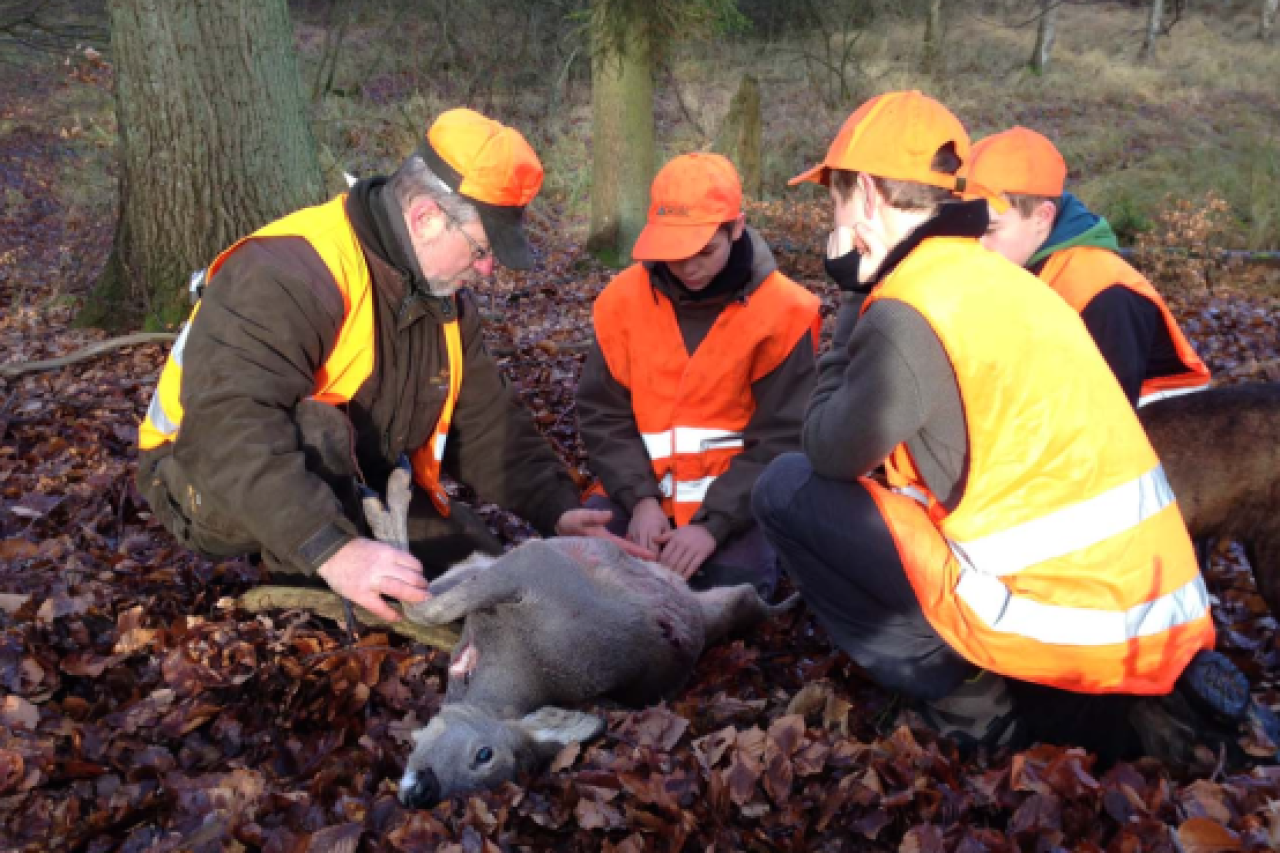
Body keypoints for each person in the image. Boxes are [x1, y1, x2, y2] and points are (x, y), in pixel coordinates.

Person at [750, 90, 1249, 766]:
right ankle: (1133, 708)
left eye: (833, 199)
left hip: (1067, 625)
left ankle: (979, 712)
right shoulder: (1007, 280)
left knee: (787, 488)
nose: (831, 217)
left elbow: (827, 448)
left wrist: (849, 296)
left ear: (866, 197)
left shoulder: (909, 307)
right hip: (1158, 616)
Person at [138, 108, 648, 624]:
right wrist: (332, 550)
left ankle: (346, 549)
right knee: (319, 431)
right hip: (201, 477)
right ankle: (308, 586)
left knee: (485, 567)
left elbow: (487, 423)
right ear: (426, 217)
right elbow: (229, 426)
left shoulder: (442, 295)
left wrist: (558, 509)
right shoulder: (288, 270)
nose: (488, 269)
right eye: (481, 249)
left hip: (359, 479)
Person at [576, 153, 820, 596]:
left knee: (729, 596)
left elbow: (785, 439)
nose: (688, 267)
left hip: (738, 506)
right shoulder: (620, 302)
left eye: (704, 251)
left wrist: (712, 525)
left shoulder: (787, 312)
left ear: (737, 228)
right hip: (631, 492)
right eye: (673, 252)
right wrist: (641, 501)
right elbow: (602, 415)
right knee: (578, 580)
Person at [968, 126, 1210, 407]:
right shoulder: (1016, 263)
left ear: (1042, 217)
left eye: (990, 229)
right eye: (969, 229)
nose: (976, 244)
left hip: (1165, 431)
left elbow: (1111, 419)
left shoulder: (1105, 294)